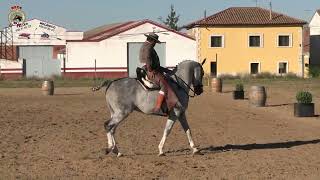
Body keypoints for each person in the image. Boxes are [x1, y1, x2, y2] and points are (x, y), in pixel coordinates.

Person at [139, 32, 178, 115]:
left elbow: (153, 62)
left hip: (152, 68)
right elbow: (147, 58)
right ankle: (158, 107)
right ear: (152, 41)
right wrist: (150, 70)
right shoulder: (148, 47)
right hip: (149, 70)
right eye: (155, 42)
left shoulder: (147, 46)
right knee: (164, 85)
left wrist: (166, 70)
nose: (155, 44)